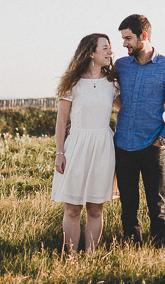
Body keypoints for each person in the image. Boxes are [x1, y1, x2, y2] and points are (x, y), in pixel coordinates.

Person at [113, 14, 165, 248]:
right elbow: (104, 94)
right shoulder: (121, 66)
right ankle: (133, 251)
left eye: (128, 38)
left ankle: (159, 254)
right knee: (128, 206)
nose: (124, 44)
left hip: (153, 146)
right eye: (123, 39)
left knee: (158, 205)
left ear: (144, 36)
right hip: (123, 145)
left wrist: (163, 139)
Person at [50, 33, 120, 255]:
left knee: (96, 208)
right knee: (72, 209)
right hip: (77, 147)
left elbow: (127, 111)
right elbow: (61, 120)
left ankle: (90, 257)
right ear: (91, 53)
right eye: (105, 48)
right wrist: (59, 152)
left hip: (103, 148)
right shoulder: (72, 83)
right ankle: (70, 257)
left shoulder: (112, 84)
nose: (110, 52)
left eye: (110, 48)